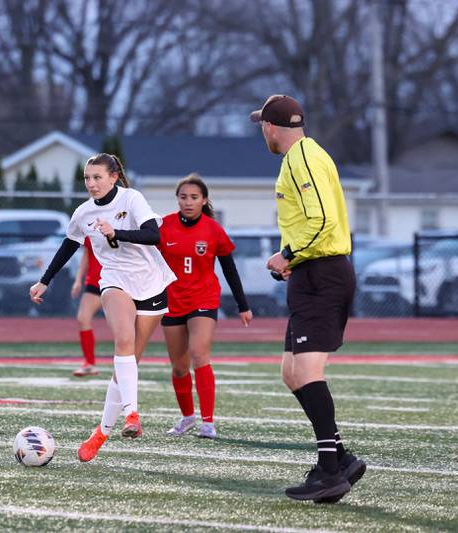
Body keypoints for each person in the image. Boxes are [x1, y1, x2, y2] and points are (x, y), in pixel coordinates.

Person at [251, 95, 366, 502]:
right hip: (311, 274)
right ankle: (340, 457)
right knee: (292, 372)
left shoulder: (301, 157)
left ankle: (330, 470)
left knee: (309, 370)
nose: (260, 131)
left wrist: (287, 255)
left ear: (271, 126)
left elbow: (321, 221)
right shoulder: (304, 155)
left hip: (323, 273)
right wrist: (292, 261)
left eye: (261, 125)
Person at [29, 153, 176, 462]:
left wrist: (116, 232)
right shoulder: (82, 213)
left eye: (97, 177)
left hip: (151, 283)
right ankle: (132, 415)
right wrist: (45, 280)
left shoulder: (131, 198)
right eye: (87, 178)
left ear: (113, 177)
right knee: (123, 340)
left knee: (127, 362)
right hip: (113, 281)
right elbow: (69, 245)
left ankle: (101, 432)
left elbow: (153, 235)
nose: (92, 183)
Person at [158, 173, 252, 439]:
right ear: (177, 199)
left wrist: (242, 305)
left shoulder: (213, 229)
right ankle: (187, 418)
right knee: (178, 366)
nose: (188, 202)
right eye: (183, 197)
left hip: (203, 299)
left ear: (204, 200)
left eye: (194, 197)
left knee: (199, 353)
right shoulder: (163, 226)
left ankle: (208, 422)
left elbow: (230, 269)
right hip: (172, 301)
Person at [69, 237, 103, 377]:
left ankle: (129, 362)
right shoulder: (90, 225)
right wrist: (78, 280)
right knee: (83, 318)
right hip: (94, 283)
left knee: (124, 327)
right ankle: (89, 364)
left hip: (117, 282)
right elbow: (87, 254)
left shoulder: (121, 222)